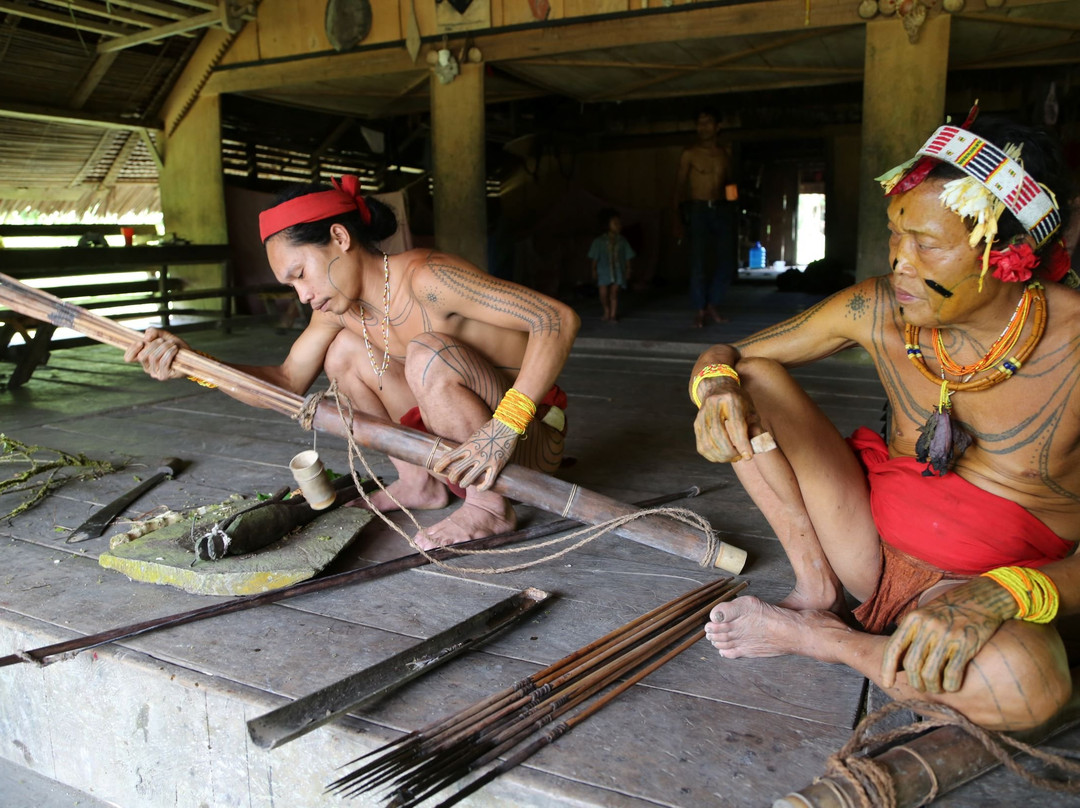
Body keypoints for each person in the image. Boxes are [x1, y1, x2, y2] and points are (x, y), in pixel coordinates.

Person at [691, 110, 1080, 731]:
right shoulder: (877, 307)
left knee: (1028, 685)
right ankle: (817, 589)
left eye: (926, 243)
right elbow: (733, 355)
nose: (897, 260)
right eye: (896, 234)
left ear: (1012, 252)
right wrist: (714, 388)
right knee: (752, 381)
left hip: (980, 587)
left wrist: (1003, 594)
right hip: (865, 550)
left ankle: (821, 638)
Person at [125, 176, 579, 549]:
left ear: (339, 238)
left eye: (300, 274)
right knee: (343, 349)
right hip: (463, 455)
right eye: (291, 286)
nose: (301, 295)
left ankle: (489, 509)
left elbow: (556, 319)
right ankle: (420, 483)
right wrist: (194, 364)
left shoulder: (429, 276)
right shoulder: (337, 310)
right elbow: (285, 382)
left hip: (523, 444)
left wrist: (503, 428)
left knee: (427, 351)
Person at [673, 109, 737, 328]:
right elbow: (679, 187)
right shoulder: (689, 153)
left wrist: (733, 208)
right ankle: (700, 309)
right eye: (700, 123)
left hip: (721, 209)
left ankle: (712, 304)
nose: (703, 127)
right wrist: (677, 217)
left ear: (718, 126)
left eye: (708, 123)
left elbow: (730, 183)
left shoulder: (724, 153)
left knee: (726, 261)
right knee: (698, 262)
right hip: (698, 209)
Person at [587, 208, 635, 322]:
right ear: (607, 225)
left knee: (614, 293)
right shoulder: (599, 242)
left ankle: (613, 314)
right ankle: (606, 310)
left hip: (618, 271)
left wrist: (628, 270)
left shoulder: (622, 241)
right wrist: (593, 270)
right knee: (603, 293)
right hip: (603, 271)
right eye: (615, 224)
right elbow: (594, 257)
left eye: (619, 224)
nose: (619, 226)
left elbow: (628, 256)